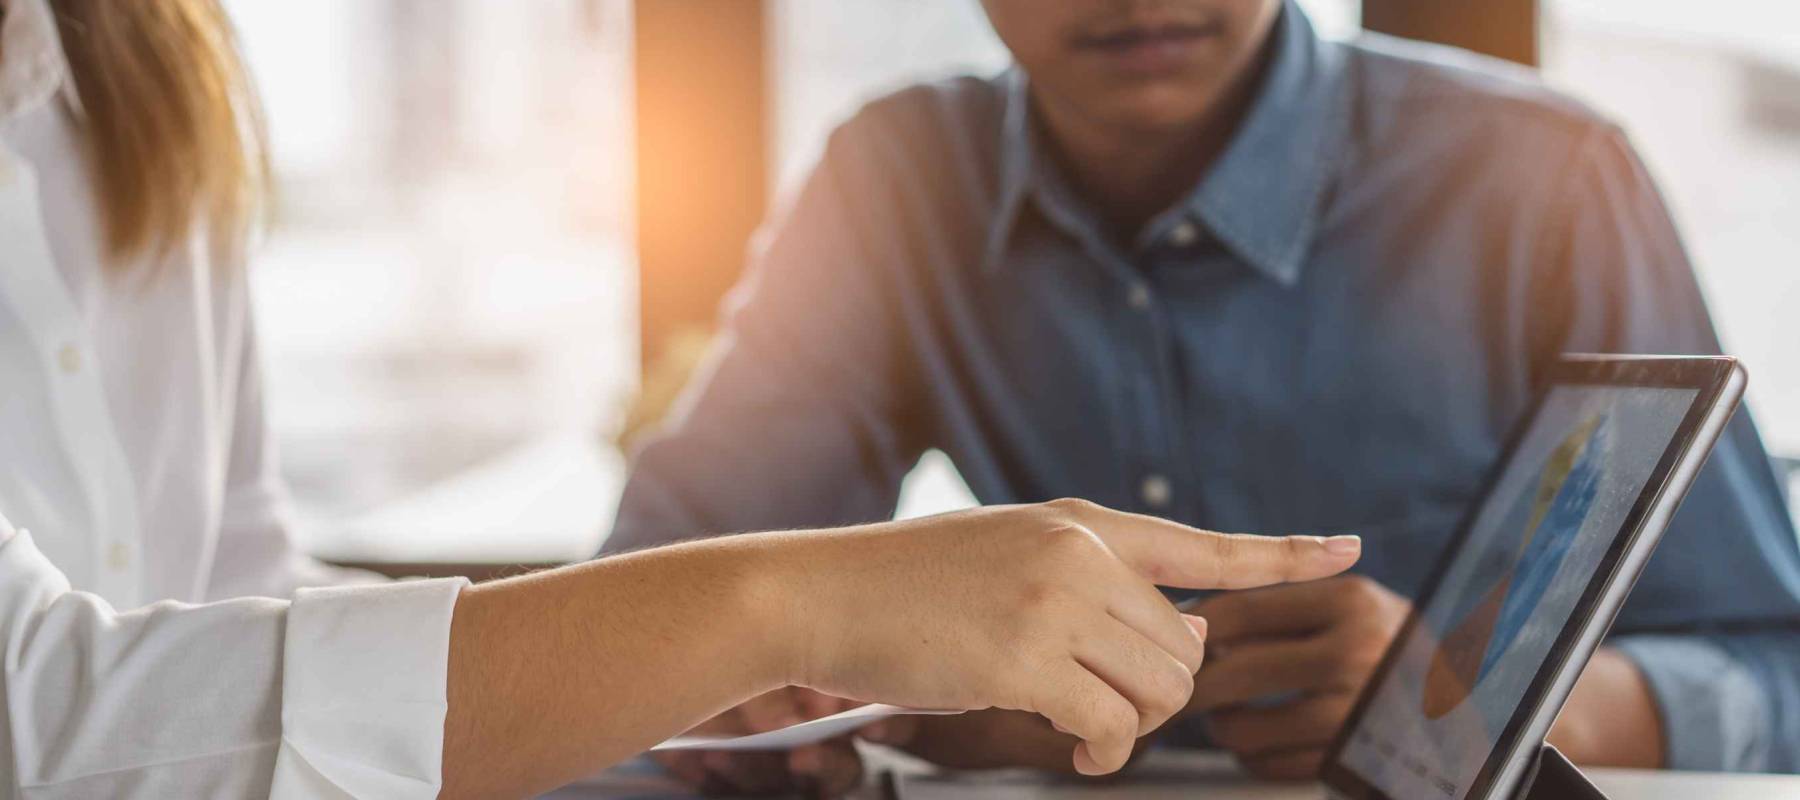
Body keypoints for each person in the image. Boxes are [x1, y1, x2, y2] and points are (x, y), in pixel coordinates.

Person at [0, 0, 1368, 797]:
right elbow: (47, 719)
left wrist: (666, 672)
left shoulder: (134, 74)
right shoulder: (899, 176)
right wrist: (763, 614)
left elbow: (227, 591)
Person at [608, 0, 1800, 792]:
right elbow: (647, 613)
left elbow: (1778, 680)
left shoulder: (1545, 177)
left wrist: (1470, 705)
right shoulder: (897, 177)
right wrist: (887, 675)